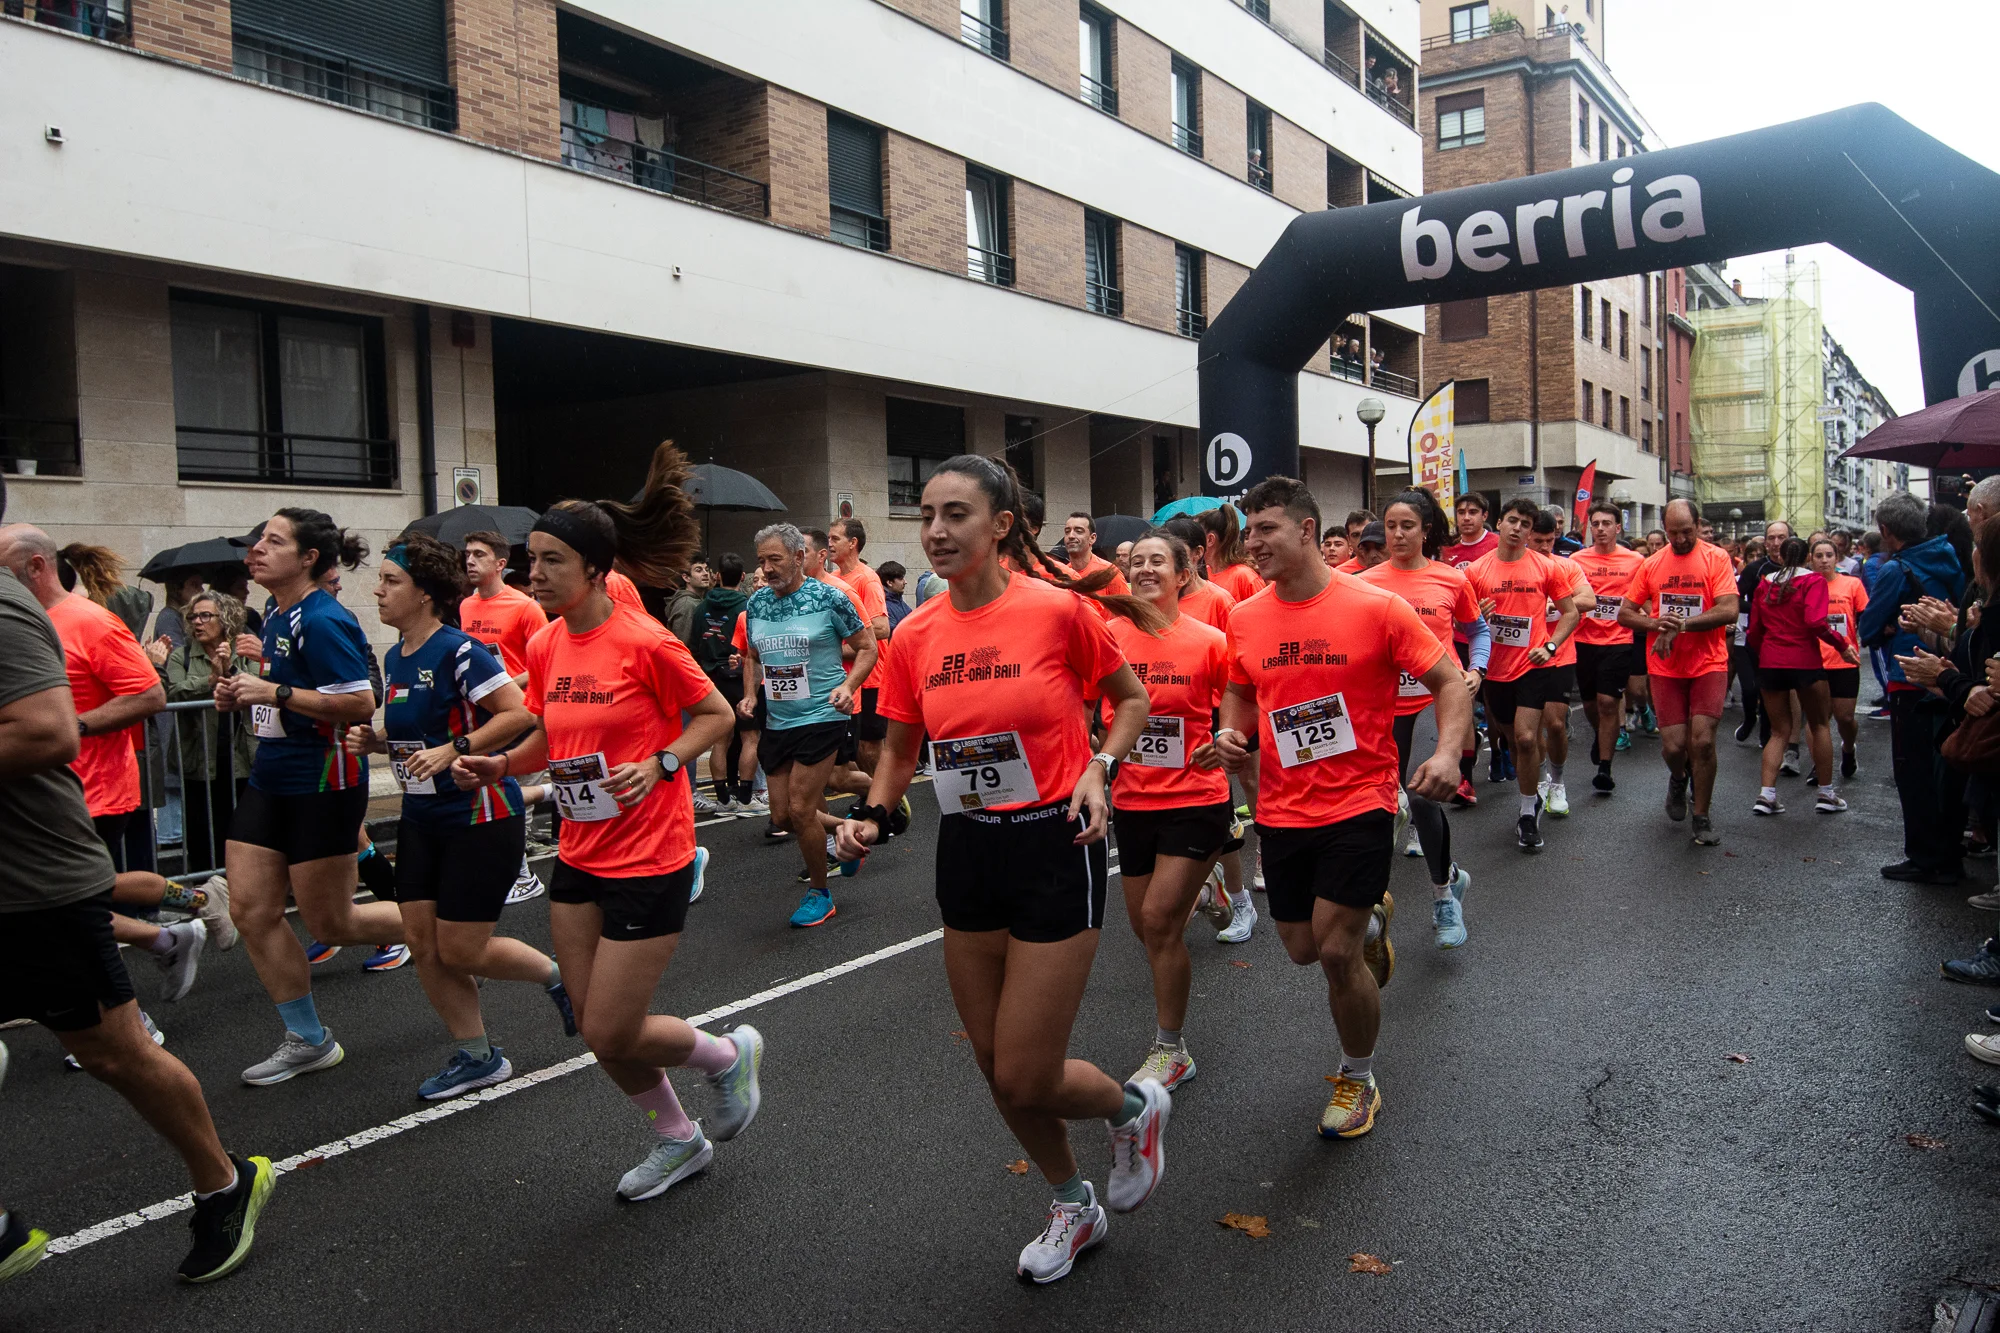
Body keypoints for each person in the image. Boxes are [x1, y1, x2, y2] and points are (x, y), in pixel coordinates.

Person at [832, 454, 1169, 1285]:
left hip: (1056, 842)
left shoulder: (1057, 611)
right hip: (970, 847)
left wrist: (1100, 767)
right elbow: (901, 748)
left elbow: (1131, 700)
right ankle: (1072, 1201)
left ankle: (1132, 1107)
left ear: (1002, 524)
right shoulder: (915, 634)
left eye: (956, 514)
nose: (937, 531)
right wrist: (874, 813)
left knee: (1026, 1070)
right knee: (994, 1064)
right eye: (927, 515)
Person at [455, 441, 755, 1203]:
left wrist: (661, 761)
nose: (534, 573)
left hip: (651, 855)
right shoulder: (546, 642)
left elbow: (715, 714)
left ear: (594, 568)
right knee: (595, 1028)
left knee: (617, 1027)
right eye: (531, 558)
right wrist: (502, 765)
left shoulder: (645, 639)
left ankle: (725, 1055)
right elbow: (551, 735)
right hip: (579, 851)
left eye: (551, 560)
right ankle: (678, 1138)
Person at [0, 476, 275, 1285]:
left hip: (42, 864)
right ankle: (179, 924)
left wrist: (85, 723)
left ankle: (224, 1180)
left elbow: (125, 702)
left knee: (115, 1050)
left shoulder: (42, 613)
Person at [1212, 476, 1470, 1141]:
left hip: (1361, 799)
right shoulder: (1245, 617)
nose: (1252, 543)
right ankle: (1374, 918)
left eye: (1266, 529)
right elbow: (1240, 690)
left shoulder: (1377, 607)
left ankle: (1358, 1077)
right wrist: (1231, 733)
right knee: (1301, 948)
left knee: (1333, 952)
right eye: (1248, 531)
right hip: (1281, 807)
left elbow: (1449, 681)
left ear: (1305, 529)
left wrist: (1447, 753)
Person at [341, 534, 578, 1100]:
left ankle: (561, 978)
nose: (378, 591)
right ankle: (477, 1056)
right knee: (422, 944)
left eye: (391, 581)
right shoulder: (396, 656)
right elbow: (417, 735)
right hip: (422, 818)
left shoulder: (460, 651)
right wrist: (377, 742)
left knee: (463, 949)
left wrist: (455, 749)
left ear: (425, 593)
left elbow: (516, 714)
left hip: (480, 815)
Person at [211, 510, 406, 1085]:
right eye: (258, 540)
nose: (256, 549)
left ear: (308, 558)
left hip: (323, 781)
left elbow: (359, 703)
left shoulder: (323, 618)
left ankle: (450, 926)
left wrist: (272, 690)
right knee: (251, 911)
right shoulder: (276, 612)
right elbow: (286, 693)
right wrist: (243, 693)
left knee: (334, 922)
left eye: (273, 542)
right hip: (271, 778)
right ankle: (309, 1039)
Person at [1107, 530, 1238, 1090]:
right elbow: (1088, 703)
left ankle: (1171, 1049)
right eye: (1136, 561)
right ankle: (1205, 891)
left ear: (1183, 575)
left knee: (1160, 922)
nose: (1144, 569)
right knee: (1147, 930)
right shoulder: (1108, 636)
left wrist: (1227, 736)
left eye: (1157, 561)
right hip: (1132, 799)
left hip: (1196, 796)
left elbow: (1241, 700)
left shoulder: (1209, 641)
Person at [1359, 489, 1487, 947]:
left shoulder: (1450, 579)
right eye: (1390, 526)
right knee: (1376, 800)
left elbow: (1477, 630)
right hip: (1383, 705)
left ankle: (1443, 896)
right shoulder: (1365, 583)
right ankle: (1381, 897)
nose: (1397, 535)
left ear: (1426, 530)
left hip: (1436, 697)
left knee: (1424, 794)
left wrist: (1476, 670)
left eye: (1407, 526)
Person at [740, 524, 877, 928]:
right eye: (761, 561)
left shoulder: (829, 597)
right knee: (783, 817)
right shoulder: (757, 604)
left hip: (822, 715)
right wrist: (750, 695)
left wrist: (848, 686)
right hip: (778, 720)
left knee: (802, 809)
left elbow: (868, 647)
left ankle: (820, 892)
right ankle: (848, 829)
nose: (766, 569)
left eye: (774, 559)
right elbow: (752, 656)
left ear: (799, 558)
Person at [1616, 498, 1741, 847]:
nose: (1681, 539)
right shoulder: (1653, 563)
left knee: (1702, 741)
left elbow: (1729, 610)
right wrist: (1656, 623)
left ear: (1698, 525)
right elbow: (1625, 613)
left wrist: (1682, 625)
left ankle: (1701, 815)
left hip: (1708, 662)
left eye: (1687, 531)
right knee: (1673, 747)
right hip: (1666, 666)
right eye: (1674, 533)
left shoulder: (1716, 558)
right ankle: (1678, 777)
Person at [1860, 490, 1966, 884]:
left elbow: (1869, 627)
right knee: (1946, 768)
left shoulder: (1894, 569)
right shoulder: (1948, 553)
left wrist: (1889, 627)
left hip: (1910, 675)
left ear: (1886, 530)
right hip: (1951, 671)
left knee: (1913, 770)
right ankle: (1949, 853)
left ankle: (1925, 857)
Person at [1463, 501, 1580, 851]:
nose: (1517, 528)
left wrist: (1552, 646)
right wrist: (1475, 616)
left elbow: (1570, 613)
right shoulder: (1477, 571)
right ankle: (1534, 786)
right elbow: (1461, 622)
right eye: (1512, 520)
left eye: (1525, 524)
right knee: (1515, 743)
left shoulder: (1546, 567)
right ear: (1499, 523)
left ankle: (1528, 813)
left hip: (1533, 665)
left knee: (1528, 738)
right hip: (1496, 670)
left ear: (1530, 531)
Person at [458, 530, 550, 905]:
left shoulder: (525, 607)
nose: (470, 560)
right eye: (467, 554)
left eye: (479, 554)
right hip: (482, 714)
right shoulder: (466, 606)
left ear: (500, 563)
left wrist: (506, 684)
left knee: (513, 792)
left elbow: (544, 659)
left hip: (521, 712)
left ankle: (521, 873)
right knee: (488, 790)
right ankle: (501, 865)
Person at [157, 590, 258, 897]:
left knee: (242, 827)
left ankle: (246, 889)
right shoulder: (183, 655)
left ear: (225, 619)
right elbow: (171, 692)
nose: (197, 622)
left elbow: (260, 684)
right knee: (201, 828)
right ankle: (207, 894)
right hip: (199, 755)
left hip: (241, 755)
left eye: (205, 616)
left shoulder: (244, 649)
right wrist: (210, 681)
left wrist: (229, 670)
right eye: (193, 617)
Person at [1745, 535, 1853, 816]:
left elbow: (1754, 631)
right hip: (1805, 660)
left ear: (1780, 556)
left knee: (1778, 731)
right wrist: (1842, 646)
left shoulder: (1765, 583)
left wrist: (1765, 654)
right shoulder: (1813, 581)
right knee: (1820, 725)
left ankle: (1766, 795)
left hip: (1771, 661)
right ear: (1807, 557)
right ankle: (1826, 793)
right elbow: (1815, 622)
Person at [1569, 503, 1646, 796]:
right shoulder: (1576, 560)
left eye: (1606, 523)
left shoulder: (1635, 560)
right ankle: (1601, 735)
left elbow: (1644, 597)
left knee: (1608, 702)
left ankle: (1605, 767)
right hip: (1583, 640)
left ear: (1618, 527)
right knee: (1590, 705)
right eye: (1596, 524)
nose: (1600, 529)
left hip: (1618, 640)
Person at [1528, 509, 1595, 818]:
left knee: (1555, 724)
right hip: (1525, 656)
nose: (1545, 547)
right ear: (1527, 538)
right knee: (1530, 729)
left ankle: (1557, 781)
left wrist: (1555, 603)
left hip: (1560, 652)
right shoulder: (1518, 568)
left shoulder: (1566, 566)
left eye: (1550, 541)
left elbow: (1589, 599)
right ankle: (1541, 778)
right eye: (1538, 541)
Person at [691, 553, 761, 817]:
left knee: (720, 740)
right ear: (743, 576)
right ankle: (745, 799)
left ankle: (722, 799)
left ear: (717, 576)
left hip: (712, 679)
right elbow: (752, 647)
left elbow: (694, 645)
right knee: (749, 737)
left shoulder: (701, 607)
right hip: (741, 675)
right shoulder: (747, 607)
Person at [1442, 493, 1501, 796]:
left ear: (1484, 515)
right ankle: (1465, 778)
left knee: (1494, 706)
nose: (1466, 517)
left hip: (1493, 638)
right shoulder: (1447, 549)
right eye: (1461, 512)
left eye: (1473, 512)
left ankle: (1499, 749)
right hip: (1457, 638)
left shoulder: (1496, 546)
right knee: (1464, 702)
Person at [829, 519, 894, 776]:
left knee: (868, 747)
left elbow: (882, 628)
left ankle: (885, 796)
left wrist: (843, 642)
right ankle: (871, 793)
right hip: (843, 677)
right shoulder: (832, 579)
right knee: (850, 751)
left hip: (870, 678)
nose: (829, 544)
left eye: (835, 538)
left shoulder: (867, 579)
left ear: (853, 543)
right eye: (828, 538)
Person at [1809, 536, 1868, 780]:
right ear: (1811, 560)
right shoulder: (1805, 585)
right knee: (1817, 719)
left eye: (1829, 555)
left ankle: (1848, 748)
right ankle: (1819, 765)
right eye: (1819, 556)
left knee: (1845, 718)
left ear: (1837, 558)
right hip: (1814, 660)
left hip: (1844, 660)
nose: (1824, 560)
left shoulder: (1852, 584)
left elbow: (1864, 615)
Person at [1198, 505, 1263, 604]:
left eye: (1197, 536)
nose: (1192, 542)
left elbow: (1262, 610)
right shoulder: (1203, 574)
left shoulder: (1244, 576)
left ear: (1210, 540)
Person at [1059, 512, 1131, 595]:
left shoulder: (1109, 574)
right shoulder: (1061, 574)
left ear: (1092, 538)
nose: (1071, 536)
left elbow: (1126, 603)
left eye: (1078, 531)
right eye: (1067, 531)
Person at [665, 553, 711, 648]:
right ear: (686, 578)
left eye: (706, 569)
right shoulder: (686, 605)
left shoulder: (699, 599)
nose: (706, 573)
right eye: (698, 570)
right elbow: (681, 645)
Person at [880, 560, 913, 627]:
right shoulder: (885, 606)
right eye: (901, 579)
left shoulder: (899, 601)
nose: (905, 582)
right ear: (889, 583)